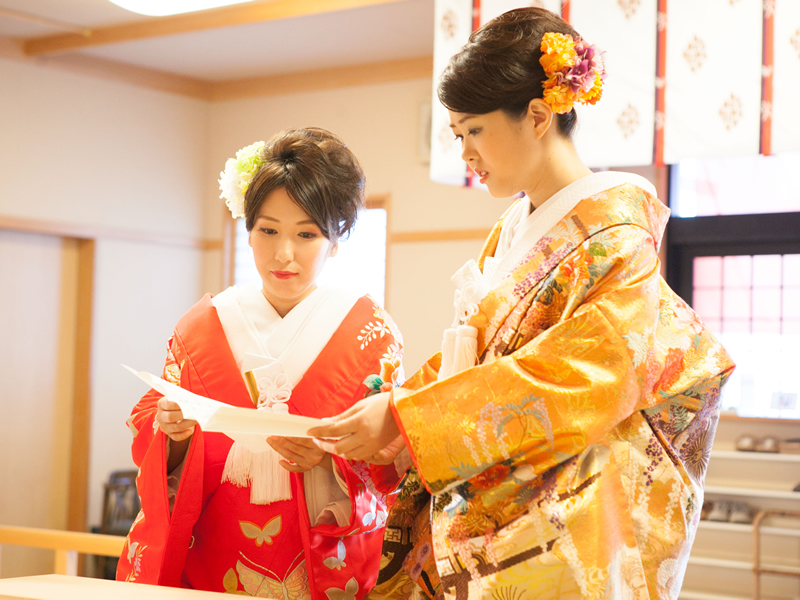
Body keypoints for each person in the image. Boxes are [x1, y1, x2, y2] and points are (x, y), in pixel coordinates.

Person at [310, 8, 734, 599]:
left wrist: (410, 417)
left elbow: (580, 377)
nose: (465, 153)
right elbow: (474, 358)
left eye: (473, 131)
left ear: (537, 115)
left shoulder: (616, 236)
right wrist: (389, 422)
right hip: (494, 498)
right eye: (457, 136)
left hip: (558, 519)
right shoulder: (513, 228)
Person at [117, 127, 405, 599]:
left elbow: (394, 458)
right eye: (267, 230)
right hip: (214, 562)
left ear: (335, 240)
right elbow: (152, 428)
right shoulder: (203, 327)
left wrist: (328, 461)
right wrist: (173, 437)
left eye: (306, 234)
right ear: (247, 231)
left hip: (318, 564)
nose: (283, 254)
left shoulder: (369, 332)